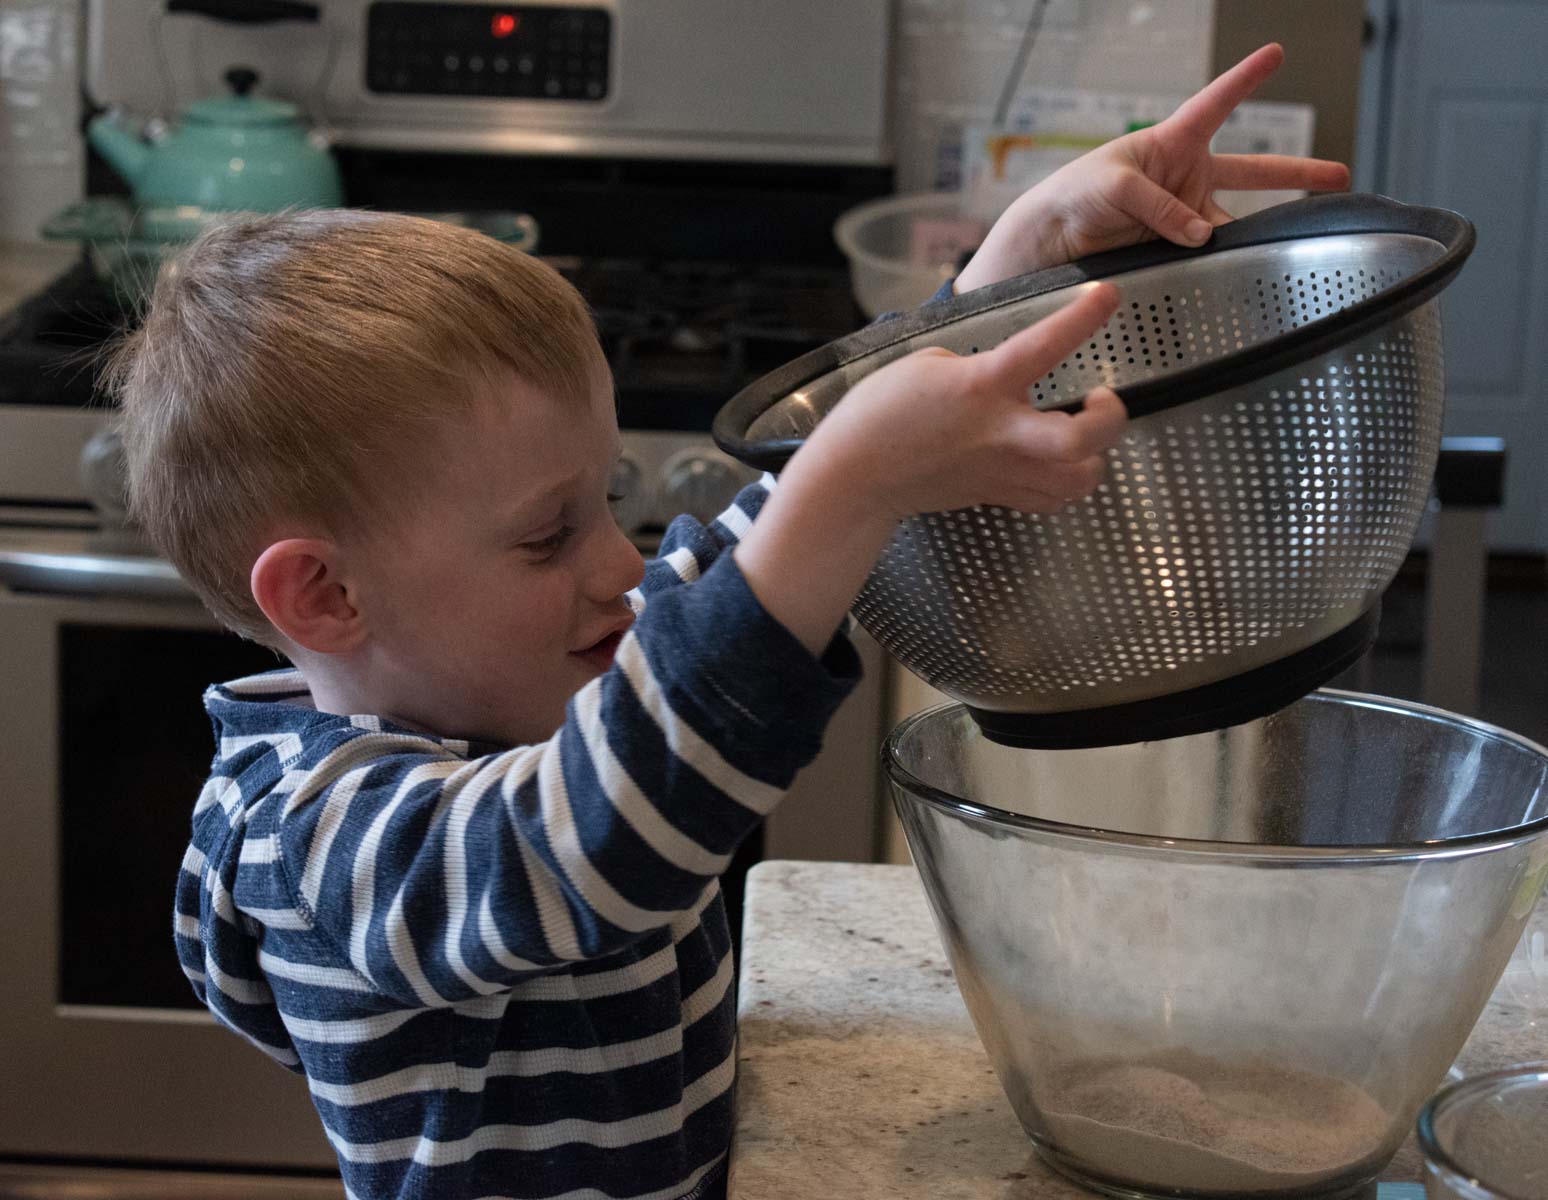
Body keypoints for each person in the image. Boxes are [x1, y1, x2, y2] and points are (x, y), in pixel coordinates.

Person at [110, 43, 1345, 1200]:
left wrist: (1001, 281)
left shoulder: (530, 674)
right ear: (324, 597)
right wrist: (854, 486)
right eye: (549, 536)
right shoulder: (320, 844)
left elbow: (756, 538)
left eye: (605, 505)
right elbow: (588, 844)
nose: (620, 568)